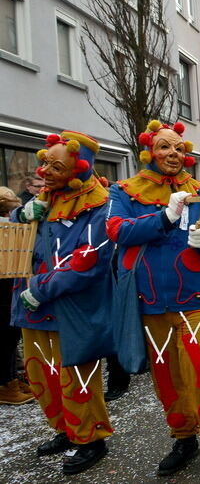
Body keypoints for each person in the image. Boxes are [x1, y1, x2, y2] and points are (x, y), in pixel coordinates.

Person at [107, 120, 200, 479]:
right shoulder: (125, 191)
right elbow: (118, 230)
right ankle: (184, 438)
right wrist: (165, 217)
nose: (173, 154)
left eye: (179, 148)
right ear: (150, 151)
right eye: (165, 147)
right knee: (167, 377)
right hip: (151, 301)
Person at [12, 132, 115, 474]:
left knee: (76, 376)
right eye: (44, 163)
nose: (45, 171)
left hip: (71, 307)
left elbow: (89, 260)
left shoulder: (99, 205)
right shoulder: (45, 198)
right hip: (33, 307)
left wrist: (41, 288)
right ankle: (66, 429)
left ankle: (90, 437)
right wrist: (23, 216)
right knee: (43, 372)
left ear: (78, 167)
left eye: (56, 166)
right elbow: (18, 240)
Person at [0, 187, 32, 406]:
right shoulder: (5, 227)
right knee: (5, 337)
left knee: (11, 336)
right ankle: (5, 385)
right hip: (3, 285)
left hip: (9, 284)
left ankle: (11, 379)